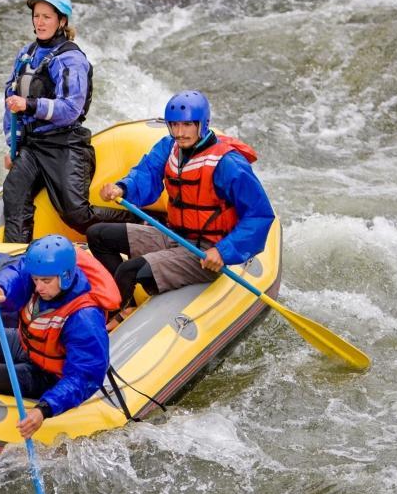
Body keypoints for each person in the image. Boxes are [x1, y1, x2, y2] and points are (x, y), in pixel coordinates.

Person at [86, 90, 276, 321]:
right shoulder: (169, 147)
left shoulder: (228, 164)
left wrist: (223, 251)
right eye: (174, 125)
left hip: (205, 252)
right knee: (97, 235)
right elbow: (145, 173)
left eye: (187, 125)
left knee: (130, 269)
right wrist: (122, 188)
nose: (179, 132)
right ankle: (126, 304)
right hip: (174, 236)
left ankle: (109, 320)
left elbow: (259, 215)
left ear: (202, 124)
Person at [0, 234, 113, 439]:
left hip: (51, 377)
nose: (38, 287)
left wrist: (44, 409)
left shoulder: (85, 318)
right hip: (27, 346)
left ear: (65, 276)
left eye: (45, 281)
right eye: (36, 280)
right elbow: (18, 271)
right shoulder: (43, 275)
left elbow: (84, 376)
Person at [2, 0, 106, 243]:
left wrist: (29, 104)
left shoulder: (72, 60)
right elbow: (10, 103)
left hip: (66, 145)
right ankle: (15, 260)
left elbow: (70, 109)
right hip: (34, 145)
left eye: (47, 17)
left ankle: (140, 227)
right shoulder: (25, 55)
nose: (39, 22)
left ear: (62, 21)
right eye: (36, 16)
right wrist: (13, 146)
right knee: (14, 192)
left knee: (76, 214)